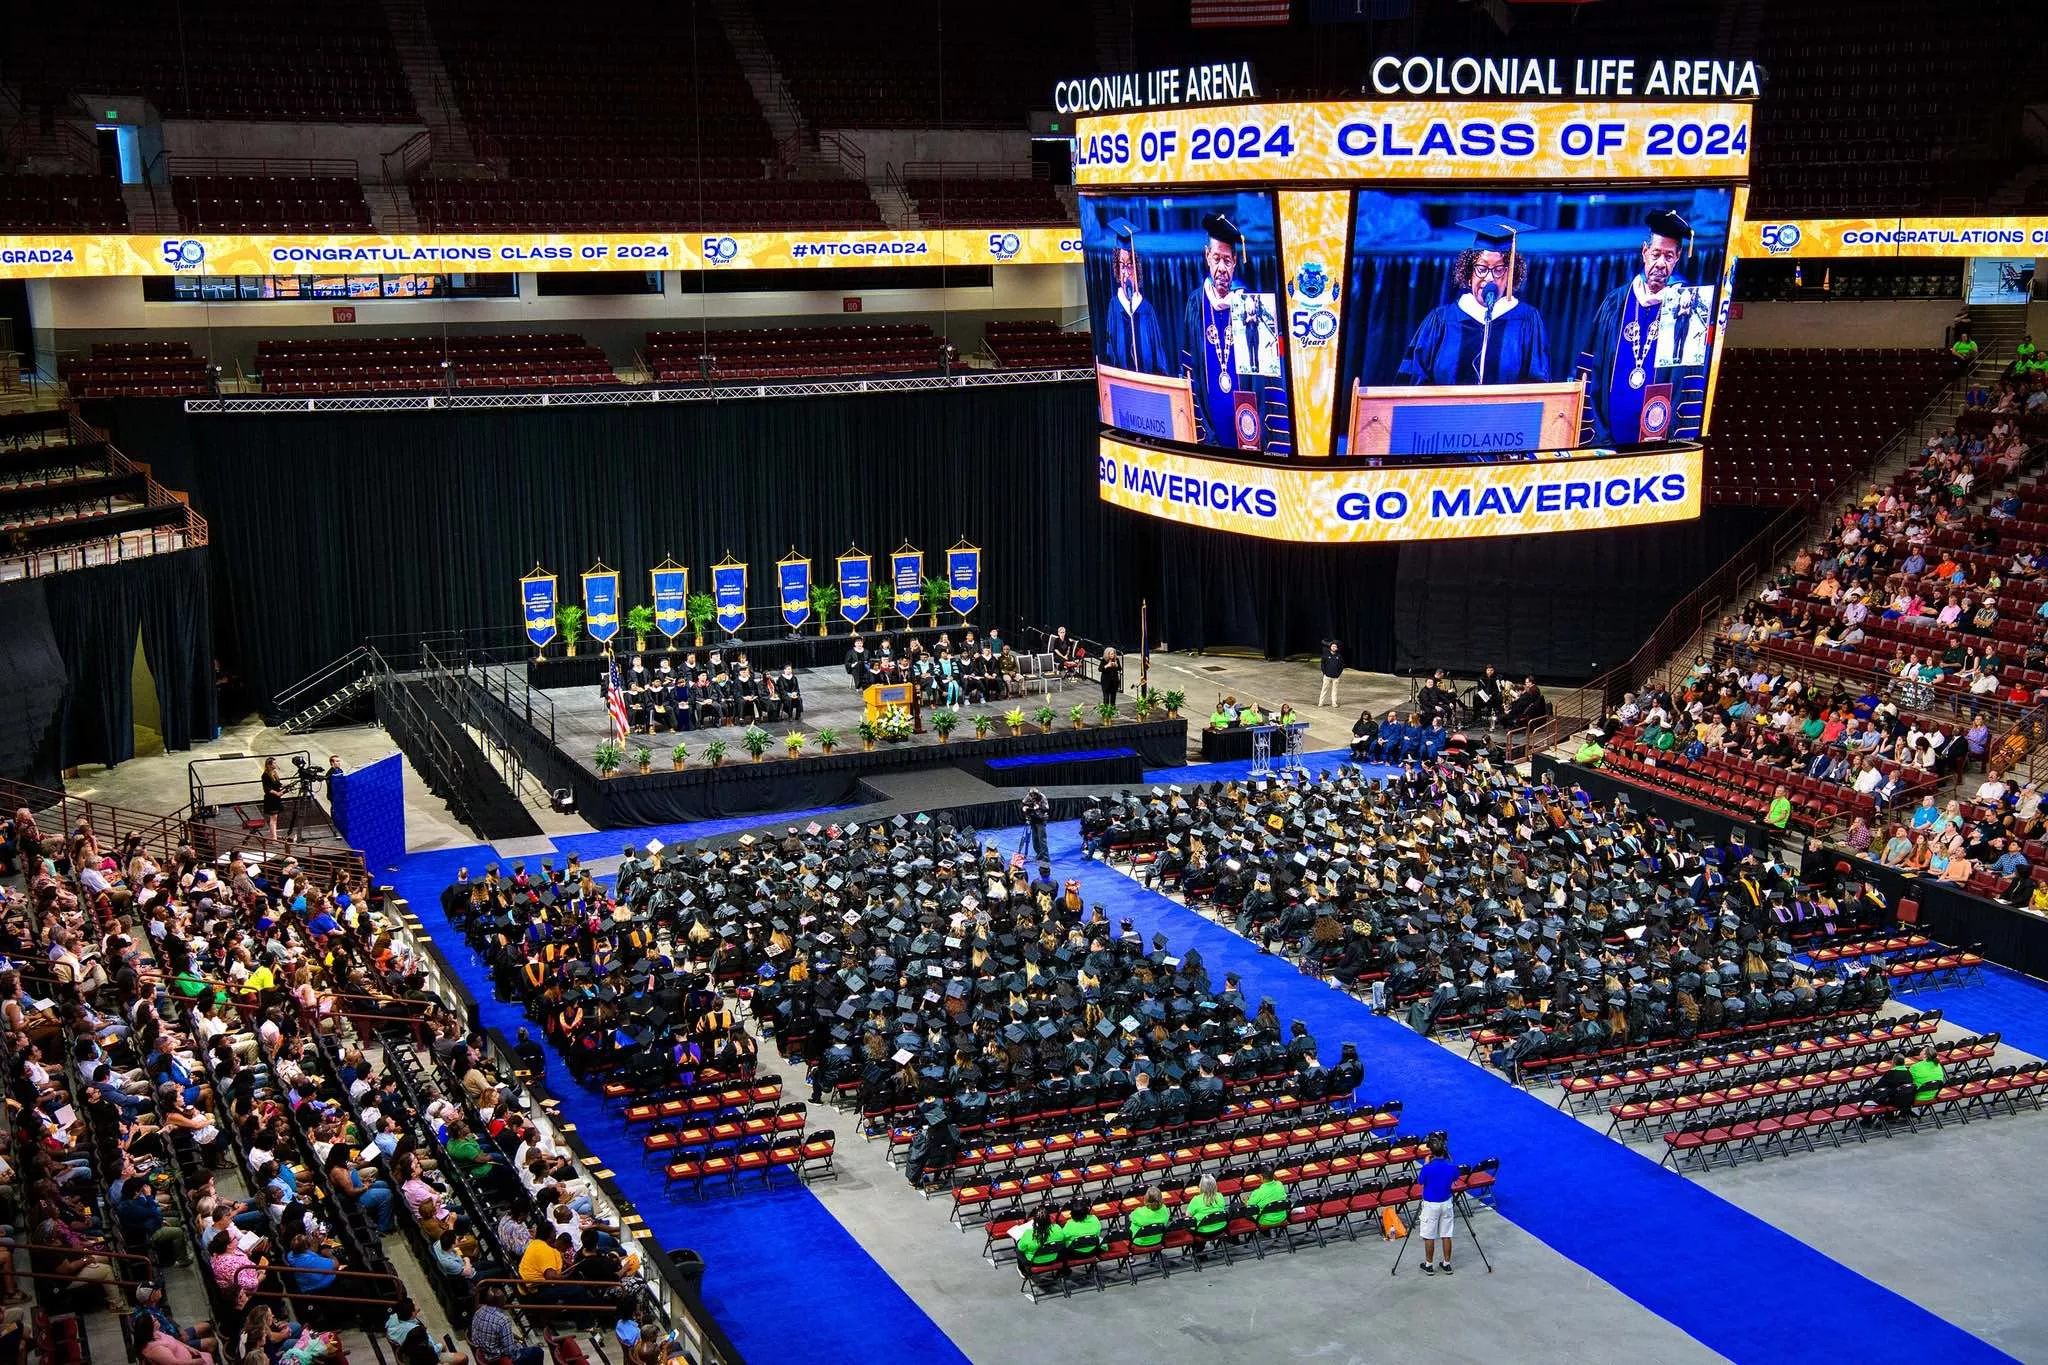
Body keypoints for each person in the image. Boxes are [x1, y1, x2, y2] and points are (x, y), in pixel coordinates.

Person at [1584, 209, 1711, 444]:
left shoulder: (1688, 307)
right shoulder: (1617, 302)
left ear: (1678, 257)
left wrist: (1675, 442)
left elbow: (1691, 385)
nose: (1661, 263)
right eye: (1656, 254)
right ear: (1644, 252)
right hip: (1608, 444)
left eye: (1669, 256)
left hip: (1658, 446)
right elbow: (1592, 368)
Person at [1398, 217, 1551, 387]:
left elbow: (1537, 386)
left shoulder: (1527, 320)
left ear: (1510, 276)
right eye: (1482, 268)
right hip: (1445, 413)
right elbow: (1412, 384)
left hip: (1504, 414)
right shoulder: (1441, 320)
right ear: (1469, 274)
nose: (1489, 277)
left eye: (1499, 270)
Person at [1178, 211, 1280, 448]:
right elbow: (1188, 368)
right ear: (1206, 257)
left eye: (1227, 260)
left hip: (1247, 433)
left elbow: (1270, 384)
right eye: (1216, 258)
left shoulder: (1252, 305)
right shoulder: (1195, 304)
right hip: (1210, 435)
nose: (1221, 268)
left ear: (1235, 262)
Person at [1099, 217, 1172, 375]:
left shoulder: (1146, 308)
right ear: (1117, 269)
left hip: (1148, 385)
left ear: (1136, 268)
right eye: (1122, 265)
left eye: (1130, 265)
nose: (1126, 271)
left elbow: (1158, 355)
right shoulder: (1114, 306)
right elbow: (1111, 351)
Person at [1416, 1133, 1458, 1275]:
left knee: (1429, 1235)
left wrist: (1426, 1164)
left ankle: (1429, 1265)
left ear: (1431, 1152)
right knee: (1446, 1234)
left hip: (1431, 1205)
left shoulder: (1428, 1168)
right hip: (1446, 1203)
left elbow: (1420, 1181)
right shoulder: (1451, 1166)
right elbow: (1456, 1176)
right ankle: (1447, 1264)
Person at [468, 1286, 543, 1365]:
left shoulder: (479, 1310)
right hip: (495, 1357)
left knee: (522, 1345)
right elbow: (510, 1352)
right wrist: (519, 1345)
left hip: (483, 1351)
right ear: (501, 1302)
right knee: (537, 1352)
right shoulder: (503, 1320)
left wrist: (518, 1340)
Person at [1186, 1173, 1230, 1254]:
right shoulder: (1220, 1196)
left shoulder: (1196, 1200)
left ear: (1201, 1186)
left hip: (1203, 1232)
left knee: (1187, 1225)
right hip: (1220, 1228)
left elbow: (1188, 1216)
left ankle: (1198, 1250)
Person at [1014, 1208, 1062, 1275]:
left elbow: (1020, 1248)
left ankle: (1023, 1270)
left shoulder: (1029, 1234)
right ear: (1049, 1219)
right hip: (1054, 1258)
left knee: (1017, 1249)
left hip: (1034, 1262)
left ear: (1035, 1221)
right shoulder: (1057, 1228)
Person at [260, 757, 285, 841]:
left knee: (275, 818)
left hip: (276, 798)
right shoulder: (265, 775)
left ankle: (274, 835)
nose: (275, 765)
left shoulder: (274, 773)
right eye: (274, 763)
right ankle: (274, 838)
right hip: (271, 799)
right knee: (273, 818)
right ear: (269, 765)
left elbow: (278, 784)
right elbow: (267, 788)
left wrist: (285, 786)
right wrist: (277, 793)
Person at [1318, 640, 1343, 709]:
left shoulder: (1339, 656)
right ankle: (1321, 702)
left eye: (1335, 646)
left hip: (1336, 677)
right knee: (1324, 689)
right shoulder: (1326, 655)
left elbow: (1341, 666)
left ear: (1337, 648)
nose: (1334, 647)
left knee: (1334, 690)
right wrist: (1325, 673)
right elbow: (1322, 664)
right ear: (1330, 647)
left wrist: (1338, 674)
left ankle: (1334, 703)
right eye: (1333, 646)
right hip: (1327, 676)